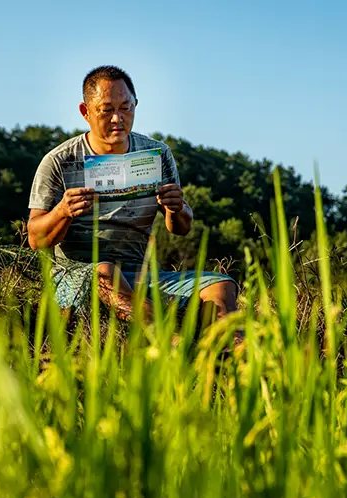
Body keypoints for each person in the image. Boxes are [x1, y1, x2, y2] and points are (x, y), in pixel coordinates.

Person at [26, 65, 239, 332]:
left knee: (222, 284)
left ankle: (237, 356)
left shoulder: (156, 154)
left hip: (142, 273)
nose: (118, 118)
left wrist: (177, 208)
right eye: (106, 110)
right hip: (77, 275)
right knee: (104, 272)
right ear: (86, 112)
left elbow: (182, 228)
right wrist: (62, 212)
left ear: (135, 105)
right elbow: (35, 239)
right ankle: (168, 343)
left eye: (126, 108)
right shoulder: (59, 161)